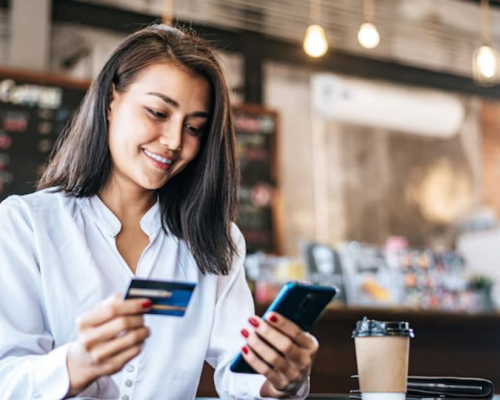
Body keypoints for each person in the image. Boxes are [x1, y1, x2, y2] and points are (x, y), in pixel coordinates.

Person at [0, 25, 318, 399]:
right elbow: (7, 376)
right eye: (157, 112)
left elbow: (240, 369)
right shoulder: (26, 225)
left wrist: (279, 379)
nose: (174, 141)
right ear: (110, 101)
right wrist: (77, 364)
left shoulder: (215, 239)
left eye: (194, 128)